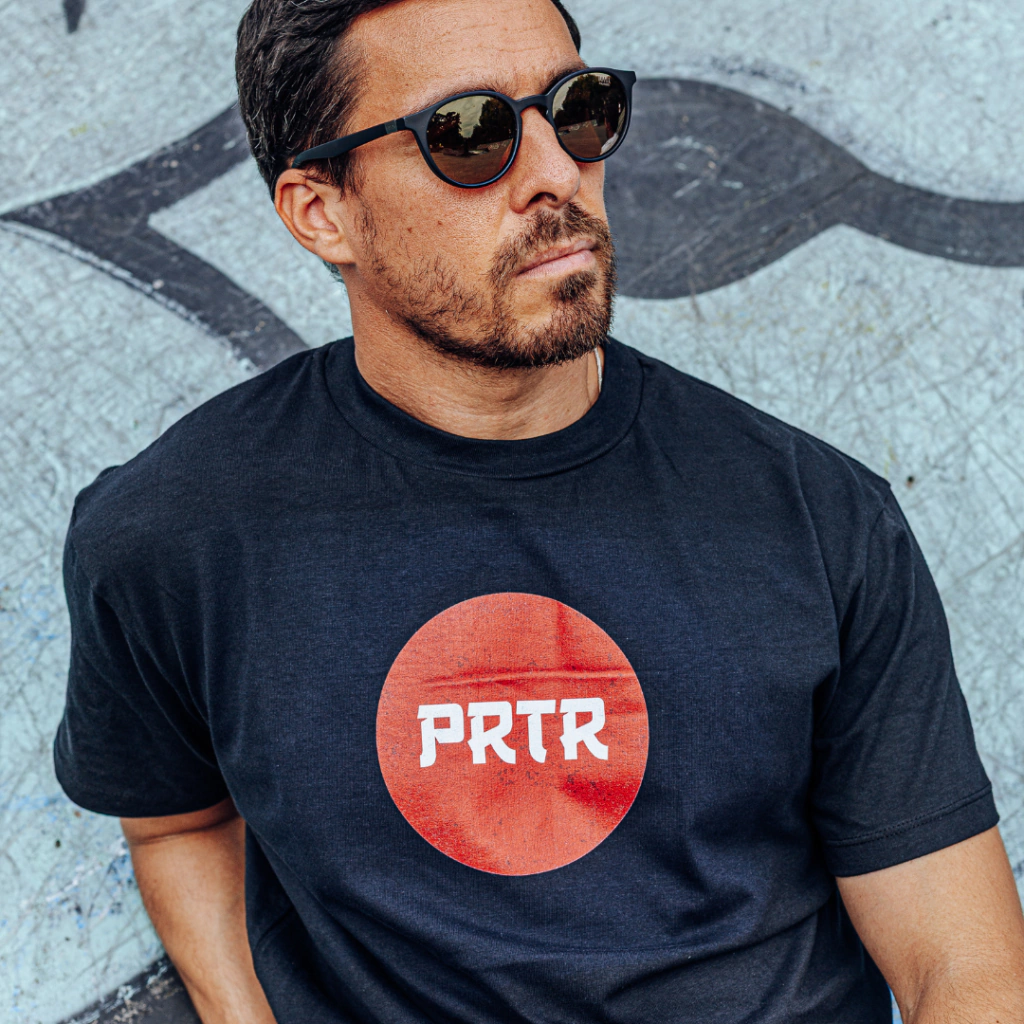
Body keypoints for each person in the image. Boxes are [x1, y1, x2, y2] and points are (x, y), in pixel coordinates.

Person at [54, 0, 1024, 1021]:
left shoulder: (816, 516)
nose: (557, 172)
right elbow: (175, 822)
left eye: (578, 109)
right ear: (321, 210)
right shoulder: (172, 534)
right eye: (469, 134)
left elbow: (963, 967)